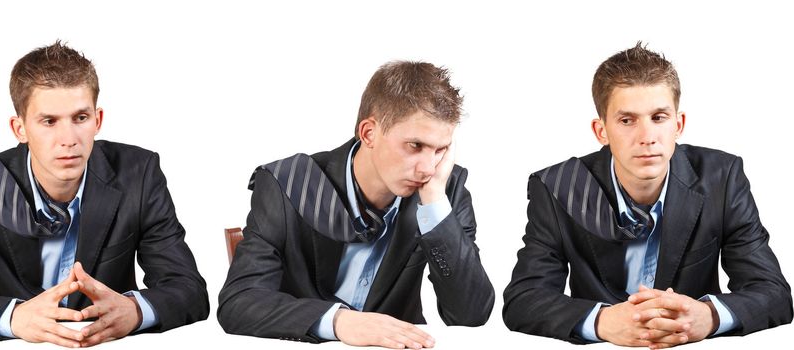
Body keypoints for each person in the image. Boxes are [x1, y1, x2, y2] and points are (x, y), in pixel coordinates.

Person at [0, 41, 209, 347]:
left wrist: (136, 311)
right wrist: (14, 318)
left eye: (80, 118)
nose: (68, 139)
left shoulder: (139, 173)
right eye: (49, 121)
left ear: (97, 120)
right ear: (19, 129)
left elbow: (189, 290)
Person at [502, 42, 792, 347]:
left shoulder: (722, 178)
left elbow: (774, 294)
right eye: (627, 120)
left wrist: (709, 316)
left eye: (659, 118)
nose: (647, 138)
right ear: (601, 131)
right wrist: (602, 321)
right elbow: (523, 300)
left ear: (678, 124)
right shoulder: (558, 186)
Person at [218, 61, 494, 348]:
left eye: (440, 149)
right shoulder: (286, 183)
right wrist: (338, 321)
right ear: (369, 133)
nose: (428, 168)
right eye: (415, 146)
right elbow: (238, 302)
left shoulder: (441, 188)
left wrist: (435, 203)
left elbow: (470, 314)